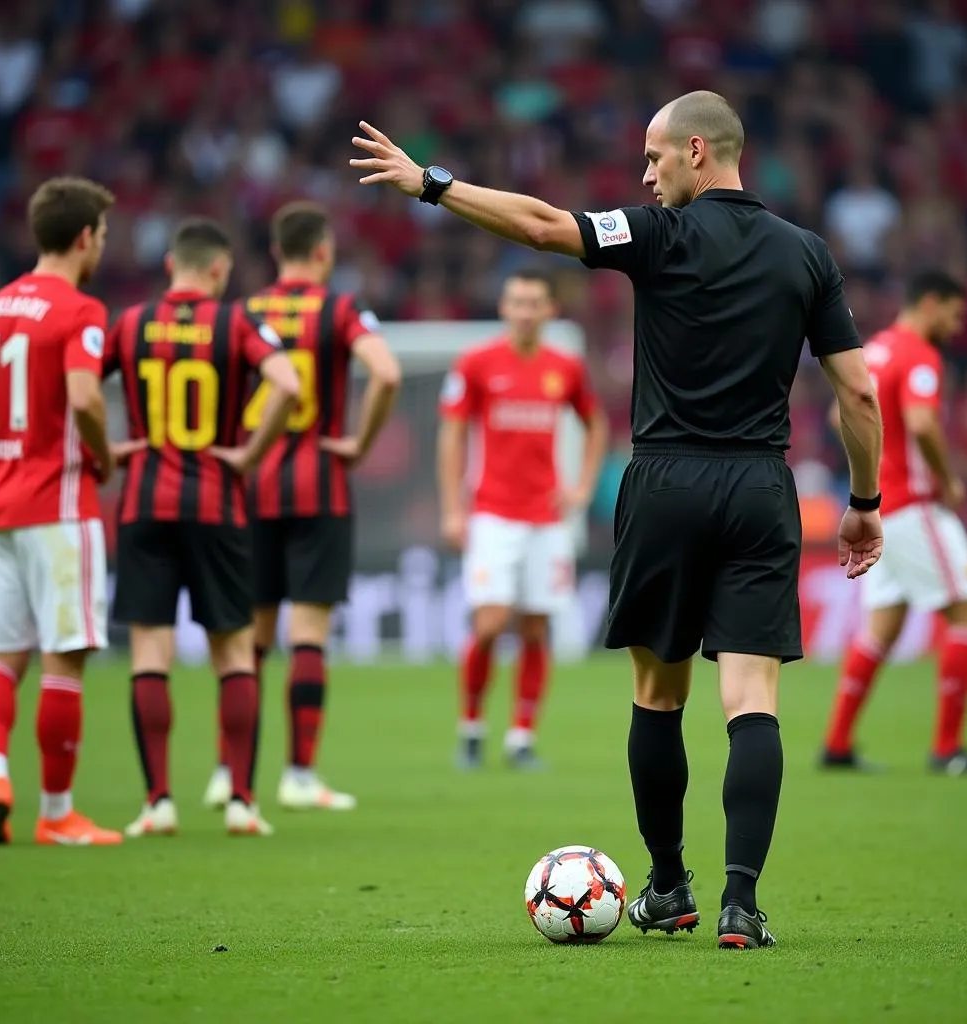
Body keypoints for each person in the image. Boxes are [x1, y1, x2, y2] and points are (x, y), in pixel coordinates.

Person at [349, 90, 883, 949]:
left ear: (699, 152)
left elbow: (539, 227)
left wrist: (432, 184)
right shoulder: (807, 253)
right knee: (752, 703)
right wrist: (863, 503)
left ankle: (669, 885)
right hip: (758, 488)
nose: (644, 173)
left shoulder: (657, 234)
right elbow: (857, 389)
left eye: (655, 158)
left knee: (658, 696)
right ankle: (741, 904)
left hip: (666, 483)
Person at [0, 176, 136, 845]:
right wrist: (102, 457)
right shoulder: (79, 311)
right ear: (85, 237)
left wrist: (3, 437)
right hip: (57, 508)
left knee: (0, 657)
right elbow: (86, 400)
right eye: (104, 237)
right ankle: (56, 814)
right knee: (65, 659)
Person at [105, 217, 301, 838]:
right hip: (217, 504)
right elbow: (288, 384)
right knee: (234, 652)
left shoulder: (130, 323)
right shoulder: (236, 321)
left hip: (142, 502)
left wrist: (105, 448)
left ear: (170, 265)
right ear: (218, 269)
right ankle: (242, 801)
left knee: (149, 652)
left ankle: (158, 802)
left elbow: (76, 388)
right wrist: (247, 454)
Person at [201, 201, 400, 813]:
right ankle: (299, 774)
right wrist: (359, 443)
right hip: (319, 486)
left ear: (273, 253)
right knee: (307, 634)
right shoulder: (338, 310)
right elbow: (387, 374)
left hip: (249, 488)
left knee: (249, 641)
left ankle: (224, 772)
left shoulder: (244, 313)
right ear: (322, 252)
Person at [437, 268, 607, 769]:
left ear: (551, 310)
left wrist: (580, 487)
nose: (525, 311)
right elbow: (451, 436)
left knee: (535, 628)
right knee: (489, 623)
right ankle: (471, 727)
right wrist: (453, 508)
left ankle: (521, 737)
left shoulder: (566, 367)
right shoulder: (477, 363)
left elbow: (595, 424)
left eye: (535, 302)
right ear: (504, 308)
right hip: (492, 514)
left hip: (546, 518)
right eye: (517, 301)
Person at [822, 270, 967, 775]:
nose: (956, 325)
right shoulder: (918, 356)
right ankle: (947, 748)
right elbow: (924, 422)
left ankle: (837, 745)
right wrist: (947, 478)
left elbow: (834, 414)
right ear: (930, 303)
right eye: (953, 313)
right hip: (914, 505)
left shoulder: (877, 350)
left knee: (881, 629)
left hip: (878, 505)